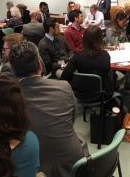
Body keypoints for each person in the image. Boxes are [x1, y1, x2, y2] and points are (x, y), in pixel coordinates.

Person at [10, 41, 88, 177]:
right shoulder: (64, 87)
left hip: (36, 169)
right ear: (40, 65)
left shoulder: (8, 99)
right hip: (74, 164)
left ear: (12, 70)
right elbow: (71, 121)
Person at [60, 25, 112, 92]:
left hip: (80, 94)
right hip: (102, 95)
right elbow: (107, 77)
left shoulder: (77, 56)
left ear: (84, 38)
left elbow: (64, 78)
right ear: (100, 39)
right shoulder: (106, 56)